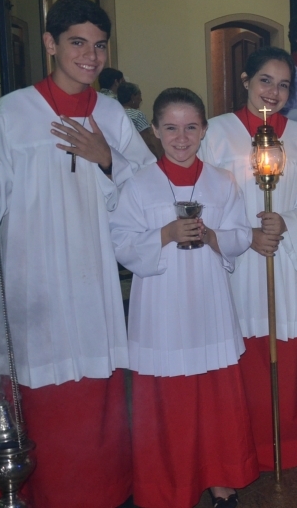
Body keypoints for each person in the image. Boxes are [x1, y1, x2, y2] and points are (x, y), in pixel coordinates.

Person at [0, 0, 155, 508]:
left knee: (95, 401)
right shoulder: (13, 112)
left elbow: (147, 199)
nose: (91, 56)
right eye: (77, 43)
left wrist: (106, 158)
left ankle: (101, 493)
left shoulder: (111, 114)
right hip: (32, 280)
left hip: (93, 282)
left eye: (100, 45)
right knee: (36, 395)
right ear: (50, 43)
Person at [110, 88, 257, 508]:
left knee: (216, 400)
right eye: (171, 128)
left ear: (204, 131)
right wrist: (165, 234)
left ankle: (221, 482)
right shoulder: (137, 185)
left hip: (209, 302)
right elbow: (120, 241)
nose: (181, 137)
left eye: (191, 127)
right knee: (168, 405)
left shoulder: (222, 180)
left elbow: (241, 234)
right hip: (161, 306)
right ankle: (168, 486)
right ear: (154, 130)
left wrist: (212, 236)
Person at [199, 47, 297, 474]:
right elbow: (200, 199)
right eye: (265, 81)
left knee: (286, 352)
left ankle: (292, 443)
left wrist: (286, 223)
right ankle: (243, 444)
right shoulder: (215, 134)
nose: (273, 91)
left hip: (283, 259)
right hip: (235, 263)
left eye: (284, 84)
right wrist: (245, 235)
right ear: (245, 80)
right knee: (241, 354)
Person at [118, 81, 163, 159]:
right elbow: (147, 141)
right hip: (137, 158)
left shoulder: (116, 113)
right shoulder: (137, 115)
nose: (141, 99)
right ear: (133, 97)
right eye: (139, 95)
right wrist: (157, 158)